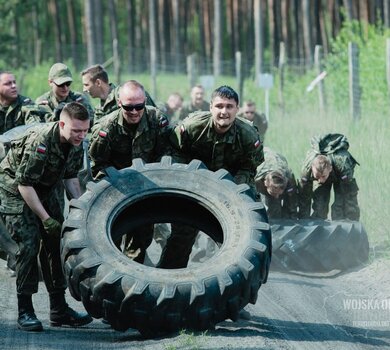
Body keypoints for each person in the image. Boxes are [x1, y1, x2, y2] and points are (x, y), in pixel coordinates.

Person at [0, 102, 92, 332]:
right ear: (62, 124)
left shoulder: (76, 142)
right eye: (76, 130)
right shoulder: (39, 142)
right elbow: (24, 184)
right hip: (16, 190)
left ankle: (59, 310)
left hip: (46, 187)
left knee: (55, 245)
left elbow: (70, 178)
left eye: (85, 130)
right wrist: (45, 218)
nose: (81, 135)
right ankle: (25, 311)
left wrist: (82, 207)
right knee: (28, 246)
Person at [158, 85, 264, 270]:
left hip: (231, 184)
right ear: (211, 108)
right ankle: (168, 276)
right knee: (182, 233)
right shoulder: (192, 127)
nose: (224, 112)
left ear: (237, 109)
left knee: (246, 227)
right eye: (219, 106)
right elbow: (174, 151)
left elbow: (249, 167)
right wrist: (186, 181)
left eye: (229, 107)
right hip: (193, 182)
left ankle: (237, 276)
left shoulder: (248, 135)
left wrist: (235, 192)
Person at [88, 80, 172, 263]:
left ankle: (132, 283)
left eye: (139, 106)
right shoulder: (106, 129)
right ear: (119, 103)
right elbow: (97, 165)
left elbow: (167, 153)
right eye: (128, 107)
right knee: (110, 241)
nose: (134, 111)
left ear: (145, 102)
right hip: (115, 189)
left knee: (141, 240)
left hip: (146, 188)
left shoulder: (157, 120)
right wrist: (117, 186)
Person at [298, 133, 360, 221]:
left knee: (340, 207)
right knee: (320, 206)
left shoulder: (342, 166)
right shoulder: (306, 170)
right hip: (327, 172)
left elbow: (349, 195)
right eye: (317, 176)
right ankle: (319, 228)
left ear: (330, 168)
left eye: (323, 176)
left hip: (339, 176)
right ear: (312, 168)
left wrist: (352, 220)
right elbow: (304, 196)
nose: (320, 180)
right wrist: (303, 220)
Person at [81, 64, 156, 122]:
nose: (84, 89)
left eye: (86, 85)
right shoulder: (99, 110)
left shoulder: (130, 95)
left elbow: (154, 118)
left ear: (98, 83)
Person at [255, 147, 298, 220]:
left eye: (279, 193)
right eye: (274, 193)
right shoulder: (257, 176)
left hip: (279, 159)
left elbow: (292, 200)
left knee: (280, 209)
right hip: (259, 155)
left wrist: (292, 219)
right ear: (265, 183)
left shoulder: (289, 178)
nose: (277, 197)